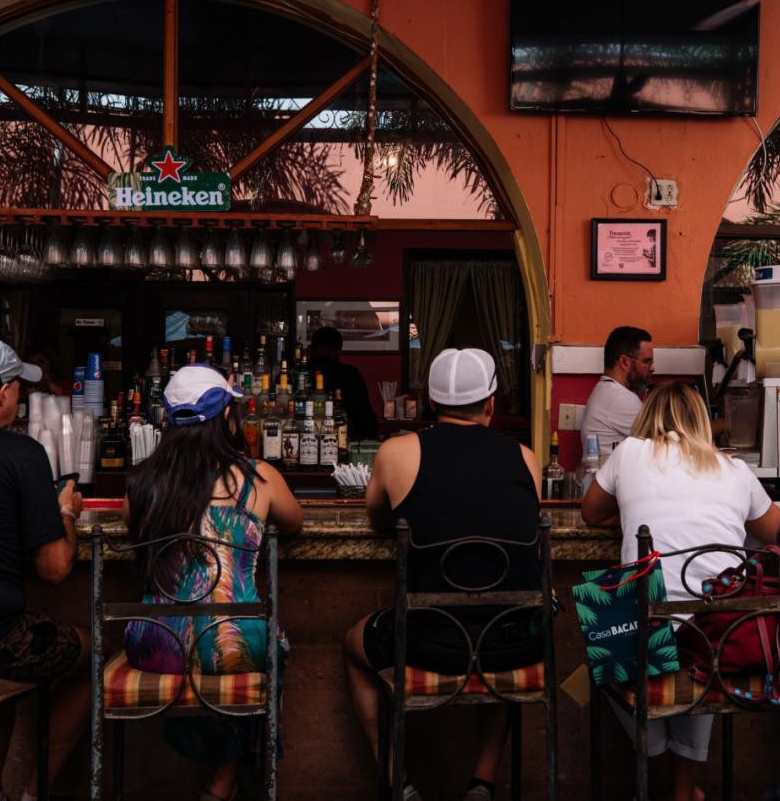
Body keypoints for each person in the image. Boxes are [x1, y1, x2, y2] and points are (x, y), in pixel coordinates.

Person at [344, 348, 544, 801]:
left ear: (431, 403)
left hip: (427, 643)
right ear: (491, 402)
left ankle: (399, 780)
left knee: (352, 643)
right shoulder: (525, 458)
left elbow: (377, 518)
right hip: (514, 644)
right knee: (502, 633)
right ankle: (483, 782)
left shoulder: (397, 452)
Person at [582, 382, 780, 801]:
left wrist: (631, 515)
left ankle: (657, 756)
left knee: (598, 647)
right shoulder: (732, 468)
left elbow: (590, 512)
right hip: (722, 640)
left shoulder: (629, 453)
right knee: (705, 629)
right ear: (702, 421)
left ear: (646, 419)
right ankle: (683, 791)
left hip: (648, 638)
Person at [124, 364, 303, 801]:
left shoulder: (141, 483)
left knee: (224, 651)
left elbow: (131, 533)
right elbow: (295, 523)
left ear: (168, 421)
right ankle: (225, 778)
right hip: (235, 640)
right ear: (227, 417)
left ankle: (221, 776)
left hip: (156, 641)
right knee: (269, 645)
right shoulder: (257, 477)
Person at [0, 340, 88, 801]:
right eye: (17, 388)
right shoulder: (22, 455)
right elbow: (54, 569)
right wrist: (66, 512)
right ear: (2, 395)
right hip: (2, 637)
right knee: (95, 655)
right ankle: (32, 795)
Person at [580, 326, 654, 460]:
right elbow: (662, 446)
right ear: (625, 362)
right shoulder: (620, 398)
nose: (653, 368)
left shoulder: (607, 391)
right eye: (647, 362)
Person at [307, 326, 378, 439]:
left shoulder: (299, 373)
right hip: (341, 440)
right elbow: (365, 419)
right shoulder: (349, 375)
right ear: (337, 351)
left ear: (312, 349)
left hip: (303, 439)